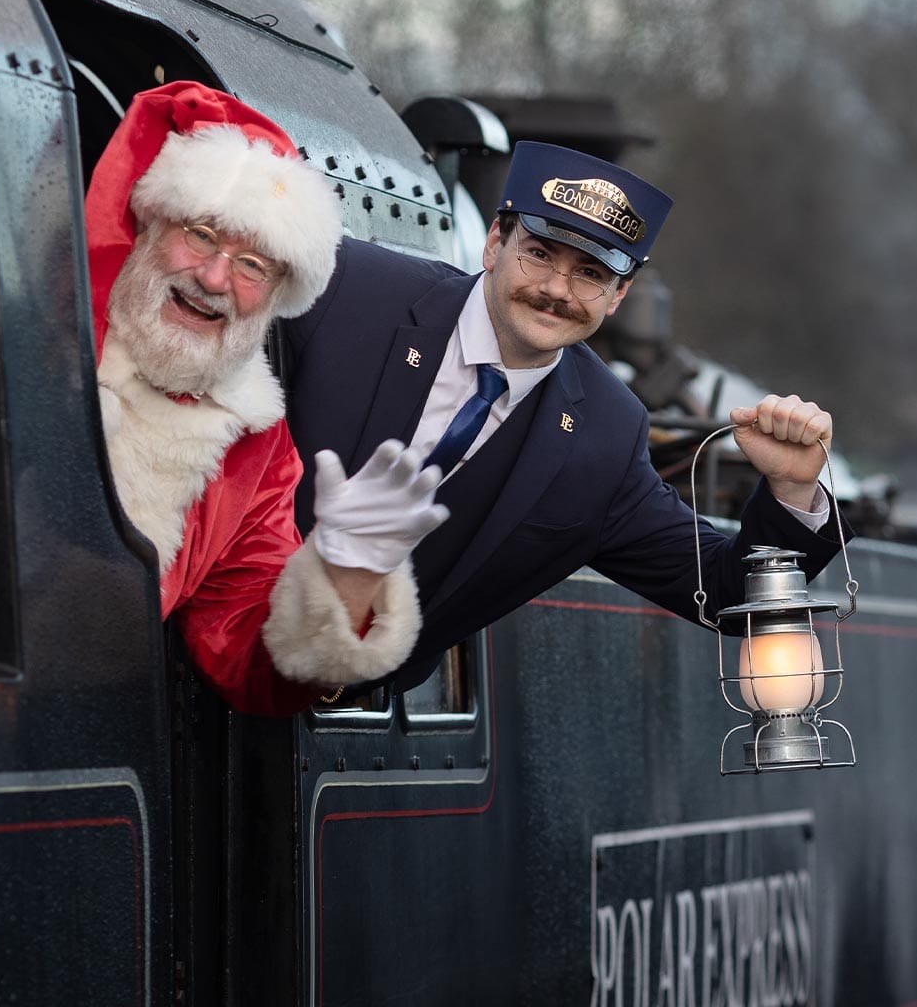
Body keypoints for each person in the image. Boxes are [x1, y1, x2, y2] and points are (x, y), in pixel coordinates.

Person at [279, 140, 851, 696]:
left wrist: (793, 489)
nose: (556, 290)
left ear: (619, 294)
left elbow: (726, 595)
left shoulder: (606, 434)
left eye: (591, 273)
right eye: (540, 253)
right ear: (494, 243)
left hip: (329, 714)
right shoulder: (348, 288)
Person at [85, 80, 447, 714]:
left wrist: (349, 576)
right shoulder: (30, 329)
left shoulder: (258, 452)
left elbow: (248, 655)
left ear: (279, 295)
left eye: (255, 264)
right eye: (200, 233)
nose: (216, 278)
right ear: (150, 225)